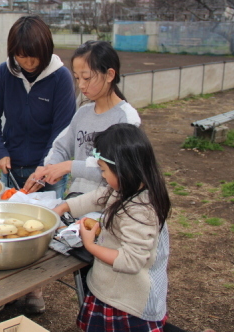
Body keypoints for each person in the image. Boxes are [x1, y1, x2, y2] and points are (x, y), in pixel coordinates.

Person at [53, 123, 171, 332]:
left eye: (103, 170)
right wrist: (64, 206)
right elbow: (100, 196)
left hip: (127, 301)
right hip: (111, 288)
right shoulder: (128, 186)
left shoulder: (141, 210)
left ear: (124, 169)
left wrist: (90, 245)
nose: (103, 176)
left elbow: (131, 260)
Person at [24, 40, 141, 196]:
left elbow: (117, 167)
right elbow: (61, 147)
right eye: (77, 78)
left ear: (110, 75)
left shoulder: (126, 118)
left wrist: (69, 166)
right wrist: (49, 167)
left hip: (109, 206)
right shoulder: (83, 113)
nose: (81, 85)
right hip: (76, 200)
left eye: (86, 78)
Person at [0, 15, 76, 199]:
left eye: (35, 57)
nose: (29, 63)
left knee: (47, 221)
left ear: (46, 51)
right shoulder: (4, 73)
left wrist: (45, 167)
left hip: (49, 172)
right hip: (11, 169)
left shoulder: (60, 78)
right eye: (22, 57)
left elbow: (63, 130)